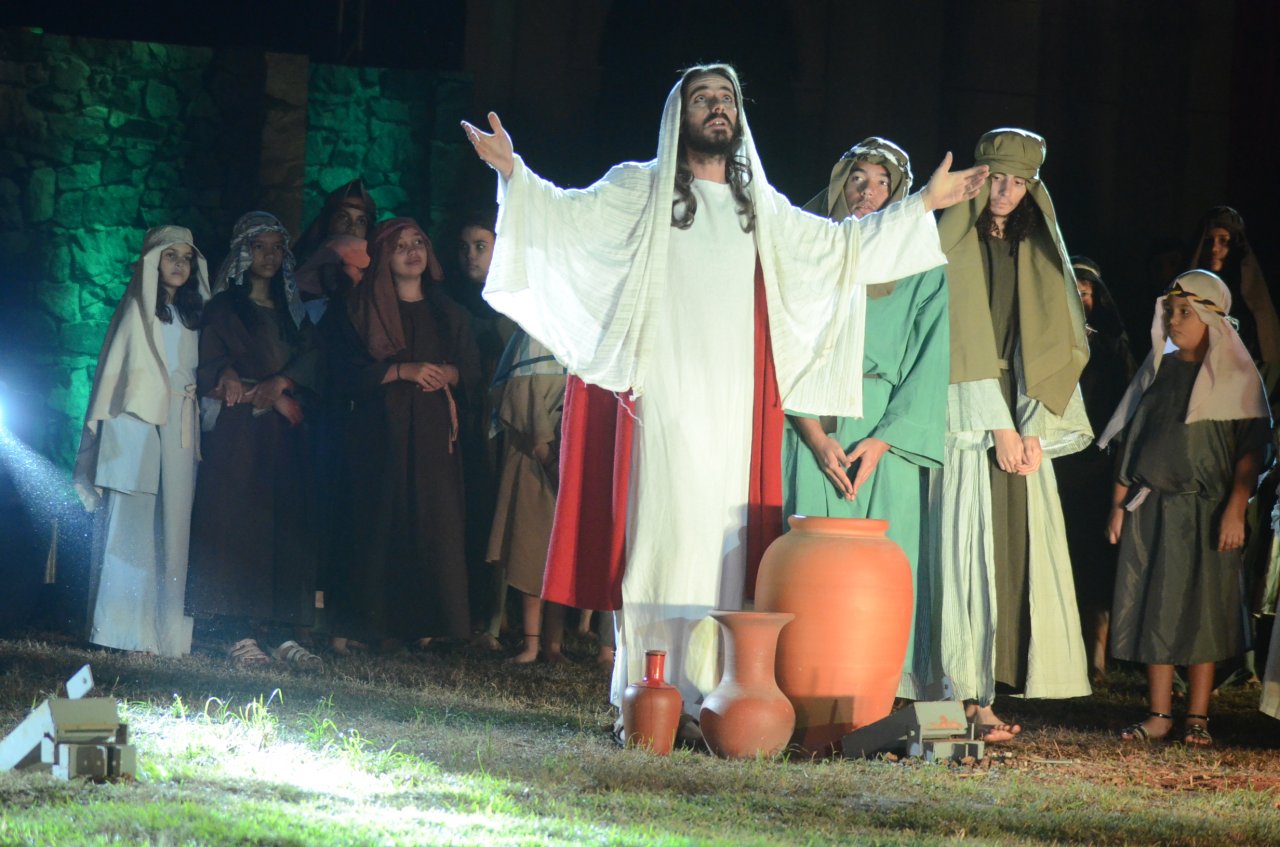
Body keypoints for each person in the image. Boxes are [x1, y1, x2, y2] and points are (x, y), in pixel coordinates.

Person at [461, 63, 987, 719]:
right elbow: (566, 220)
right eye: (703, 97)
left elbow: (839, 249)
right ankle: (651, 691)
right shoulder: (639, 188)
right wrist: (514, 173)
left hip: (740, 407)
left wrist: (922, 205)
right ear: (678, 116)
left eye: (727, 98)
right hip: (667, 399)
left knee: (726, 543)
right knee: (664, 533)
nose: (717, 107)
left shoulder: (759, 208)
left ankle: (717, 691)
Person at [934, 128, 1093, 741]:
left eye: (1018, 182)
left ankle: (985, 698)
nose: (1005, 191)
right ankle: (955, 697)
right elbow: (956, 340)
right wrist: (997, 423)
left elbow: (1046, 341)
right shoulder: (954, 240)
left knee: (1005, 556)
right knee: (960, 552)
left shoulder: (1032, 251)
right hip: (963, 418)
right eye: (995, 177)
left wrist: (1034, 429)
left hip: (1014, 417)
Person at [783, 137, 949, 700]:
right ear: (839, 184)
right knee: (809, 556)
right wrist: (814, 433)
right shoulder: (809, 253)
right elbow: (786, 342)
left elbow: (929, 361)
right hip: (815, 416)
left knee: (886, 560)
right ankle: (799, 688)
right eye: (858, 178)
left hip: (886, 427)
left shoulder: (925, 267)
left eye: (883, 183)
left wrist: (881, 442)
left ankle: (880, 695)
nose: (868, 193)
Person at [1098, 271, 1270, 746]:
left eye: (1186, 312)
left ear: (1212, 319)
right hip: (1152, 510)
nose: (1174, 320)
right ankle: (1158, 713)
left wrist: (1236, 507)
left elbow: (1252, 451)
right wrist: (1118, 506)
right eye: (1170, 311)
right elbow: (1131, 444)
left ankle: (1196, 715)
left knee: (1203, 611)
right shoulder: (1160, 371)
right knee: (1155, 607)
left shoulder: (1236, 376)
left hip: (1207, 513)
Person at [331, 218, 481, 650]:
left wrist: (448, 373)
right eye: (401, 246)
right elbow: (343, 373)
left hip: (433, 431)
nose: (413, 251)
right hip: (381, 431)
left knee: (433, 519)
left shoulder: (446, 310)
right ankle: (367, 625)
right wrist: (401, 370)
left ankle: (428, 623)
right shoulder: (362, 310)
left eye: (419, 242)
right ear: (383, 257)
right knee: (380, 517)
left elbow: (471, 370)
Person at [186, 212, 323, 669]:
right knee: (235, 523)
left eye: (275, 247)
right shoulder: (224, 307)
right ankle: (235, 631)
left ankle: (282, 632)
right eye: (258, 246)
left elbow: (311, 361)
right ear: (243, 252)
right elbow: (210, 362)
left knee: (282, 524)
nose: (268, 255)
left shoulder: (293, 311)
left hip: (283, 437)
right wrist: (227, 375)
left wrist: (283, 386)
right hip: (238, 432)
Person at [72, 225, 210, 657]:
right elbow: (116, 375)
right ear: (153, 262)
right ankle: (121, 630)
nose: (180, 265)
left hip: (179, 425)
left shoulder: (194, 315)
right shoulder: (135, 311)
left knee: (174, 527)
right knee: (131, 523)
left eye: (187, 258)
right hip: (136, 423)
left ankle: (164, 633)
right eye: (171, 257)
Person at [1054, 257, 1136, 684]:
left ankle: (1096, 656)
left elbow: (1124, 402)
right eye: (1075, 291)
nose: (1081, 299)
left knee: (1094, 560)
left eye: (1087, 293)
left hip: (1098, 461)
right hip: (1056, 462)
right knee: (1058, 555)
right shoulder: (1050, 338)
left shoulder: (1113, 346)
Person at [447, 212, 517, 650]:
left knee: (500, 512)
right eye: (465, 247)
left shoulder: (512, 301)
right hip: (465, 422)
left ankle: (498, 616)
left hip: (504, 424)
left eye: (481, 246)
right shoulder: (452, 302)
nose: (471, 256)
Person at [485, 327, 570, 662]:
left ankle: (553, 644)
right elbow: (524, 393)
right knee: (532, 551)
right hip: (534, 458)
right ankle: (532, 643)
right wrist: (544, 449)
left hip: (571, 453)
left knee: (563, 555)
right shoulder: (534, 331)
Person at [1187, 206, 1280, 368]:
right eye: (1209, 241)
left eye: (1224, 240)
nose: (1215, 249)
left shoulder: (1252, 297)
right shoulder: (1187, 291)